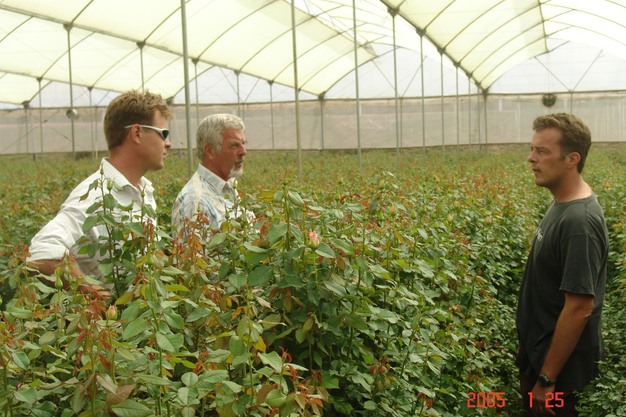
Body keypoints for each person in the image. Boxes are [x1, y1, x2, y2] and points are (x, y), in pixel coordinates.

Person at [27, 89, 172, 284]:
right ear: (137, 133)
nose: (168, 143)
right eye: (164, 134)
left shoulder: (144, 191)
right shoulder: (95, 196)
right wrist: (92, 292)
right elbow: (41, 252)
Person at [516, 113, 608, 417]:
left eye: (542, 151)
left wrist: (547, 379)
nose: (531, 158)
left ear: (572, 159)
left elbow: (579, 307)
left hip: (560, 380)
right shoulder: (562, 203)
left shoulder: (578, 223)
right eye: (532, 149)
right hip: (541, 358)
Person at [171, 113, 252, 233]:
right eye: (234, 145)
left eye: (243, 144)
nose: (243, 151)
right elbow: (192, 245)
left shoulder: (228, 186)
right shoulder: (194, 202)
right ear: (210, 150)